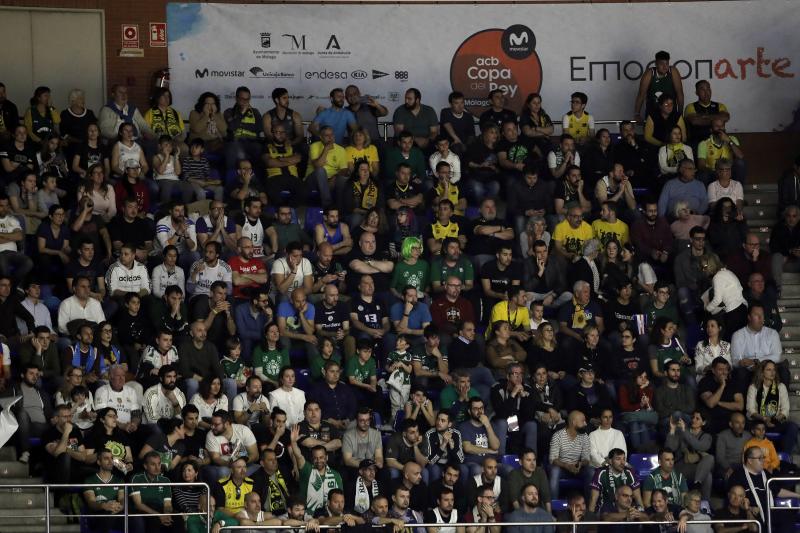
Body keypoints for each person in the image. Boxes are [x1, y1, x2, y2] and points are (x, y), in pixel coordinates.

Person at [727, 446, 800, 531]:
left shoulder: (765, 473)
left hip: (769, 511)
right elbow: (733, 500)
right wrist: (749, 508)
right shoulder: (737, 476)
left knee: (788, 517)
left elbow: (777, 491)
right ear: (750, 460)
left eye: (763, 458)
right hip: (751, 512)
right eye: (760, 458)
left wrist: (798, 495)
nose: (763, 461)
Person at [745, 359, 798, 454]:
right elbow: (750, 410)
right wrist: (764, 418)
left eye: (774, 370)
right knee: (747, 426)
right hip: (759, 421)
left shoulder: (781, 387)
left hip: (776, 421)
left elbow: (785, 410)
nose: (772, 372)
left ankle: (784, 457)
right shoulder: (754, 387)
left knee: (793, 427)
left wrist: (775, 419)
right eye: (768, 370)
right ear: (762, 372)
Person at [290, 425, 344, 514]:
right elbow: (298, 456)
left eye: (321, 457)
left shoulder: (336, 475)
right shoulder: (307, 470)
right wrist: (293, 442)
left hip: (329, 516)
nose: (318, 460)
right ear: (312, 459)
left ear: (326, 457)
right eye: (315, 458)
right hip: (309, 516)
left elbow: (340, 498)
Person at [731, 303, 785, 389]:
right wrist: (741, 362)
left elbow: (777, 356)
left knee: (783, 371)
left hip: (768, 369)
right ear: (749, 317)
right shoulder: (738, 335)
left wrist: (756, 361)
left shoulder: (772, 333)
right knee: (739, 373)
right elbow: (735, 361)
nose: (760, 318)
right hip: (749, 370)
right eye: (756, 315)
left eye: (762, 315)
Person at [664, 411, 714, 500]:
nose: (693, 420)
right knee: (707, 475)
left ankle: (702, 499)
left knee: (709, 461)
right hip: (682, 466)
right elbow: (670, 449)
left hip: (698, 468)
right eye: (693, 417)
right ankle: (699, 491)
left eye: (697, 418)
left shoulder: (706, 436)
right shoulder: (682, 432)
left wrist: (685, 431)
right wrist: (672, 430)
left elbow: (699, 446)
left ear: (704, 422)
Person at [548, 410, 593, 499]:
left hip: (578, 469)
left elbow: (586, 459)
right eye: (583, 421)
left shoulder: (585, 437)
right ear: (573, 422)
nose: (585, 424)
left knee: (590, 471)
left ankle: (590, 508)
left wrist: (580, 464)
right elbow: (552, 459)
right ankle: (553, 506)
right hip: (562, 469)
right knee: (554, 471)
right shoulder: (558, 436)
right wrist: (566, 466)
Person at [129, 451, 177, 533]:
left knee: (178, 519)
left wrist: (166, 515)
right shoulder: (136, 478)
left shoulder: (165, 480)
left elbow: (168, 504)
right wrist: (159, 516)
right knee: (154, 521)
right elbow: (138, 505)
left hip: (160, 509)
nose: (157, 468)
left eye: (159, 464)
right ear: (145, 466)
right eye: (153, 464)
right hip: (143, 510)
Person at [82, 449, 125, 533]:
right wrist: (104, 506)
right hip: (99, 514)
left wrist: (121, 507)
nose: (110, 461)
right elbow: (91, 502)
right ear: (99, 462)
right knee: (106, 516)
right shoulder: (90, 480)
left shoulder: (119, 480)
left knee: (136, 519)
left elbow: (122, 499)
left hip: (116, 514)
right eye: (106, 458)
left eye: (112, 458)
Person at [634, 51, 684, 121]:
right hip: (653, 113)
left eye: (667, 64)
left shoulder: (673, 71)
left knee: (673, 131)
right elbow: (641, 95)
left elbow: (680, 93)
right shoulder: (649, 73)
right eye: (661, 64)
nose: (665, 67)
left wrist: (680, 113)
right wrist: (637, 114)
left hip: (671, 113)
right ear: (656, 64)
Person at [588, 448, 642, 513]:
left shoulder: (630, 473)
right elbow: (593, 499)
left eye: (624, 459)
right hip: (605, 513)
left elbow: (638, 499)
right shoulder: (601, 473)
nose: (622, 462)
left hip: (626, 511)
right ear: (610, 461)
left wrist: (642, 515)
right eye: (618, 459)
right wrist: (590, 518)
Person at [223, 86, 263, 173]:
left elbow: (259, 128)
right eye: (242, 99)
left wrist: (242, 126)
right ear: (236, 98)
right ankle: (232, 178)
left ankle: (256, 180)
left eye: (247, 99)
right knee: (233, 149)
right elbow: (232, 127)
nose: (245, 102)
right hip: (235, 142)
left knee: (259, 148)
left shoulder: (255, 112)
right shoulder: (229, 112)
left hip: (252, 142)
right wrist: (242, 113)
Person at [653, 360, 695, 430]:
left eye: (678, 370)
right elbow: (660, 412)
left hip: (685, 418)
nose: (676, 373)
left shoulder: (686, 389)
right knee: (676, 416)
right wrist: (677, 410)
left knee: (679, 416)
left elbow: (691, 408)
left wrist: (673, 408)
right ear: (666, 373)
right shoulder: (659, 391)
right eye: (673, 370)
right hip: (667, 421)